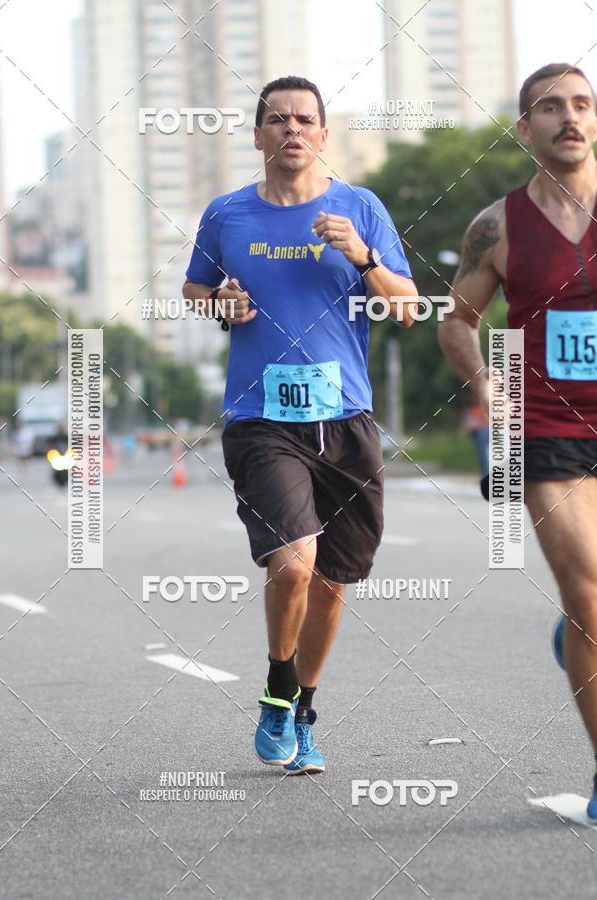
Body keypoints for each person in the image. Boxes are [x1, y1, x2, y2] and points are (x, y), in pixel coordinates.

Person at [183, 75, 417, 773]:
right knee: (293, 565)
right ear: (258, 136)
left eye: (304, 119)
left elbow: (406, 308)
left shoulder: (360, 209)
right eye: (277, 119)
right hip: (263, 421)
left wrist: (362, 256)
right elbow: (195, 288)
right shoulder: (228, 215)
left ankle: (302, 708)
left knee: (333, 583)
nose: (291, 129)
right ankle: (277, 683)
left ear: (322, 134)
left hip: (344, 421)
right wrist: (218, 301)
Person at [438, 63, 597, 816]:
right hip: (546, 427)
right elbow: (456, 320)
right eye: (549, 107)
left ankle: (575, 639)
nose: (568, 117)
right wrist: (483, 381)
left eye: (581, 104)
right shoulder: (495, 227)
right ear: (524, 128)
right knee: (592, 594)